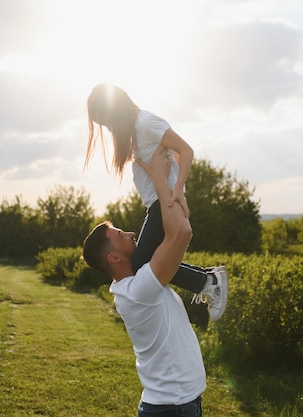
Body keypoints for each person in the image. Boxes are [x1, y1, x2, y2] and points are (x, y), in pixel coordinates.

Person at [84, 83, 227, 321]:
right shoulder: (135, 131)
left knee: (141, 266)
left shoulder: (145, 123)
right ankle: (207, 279)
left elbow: (186, 150)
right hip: (155, 205)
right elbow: (176, 154)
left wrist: (178, 188)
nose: (108, 128)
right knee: (146, 264)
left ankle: (207, 281)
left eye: (107, 121)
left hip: (162, 204)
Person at [83, 145, 207, 416]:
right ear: (114, 258)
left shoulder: (134, 284)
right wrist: (160, 179)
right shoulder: (139, 290)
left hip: (175, 403)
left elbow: (164, 230)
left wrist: (167, 166)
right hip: (173, 408)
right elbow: (181, 233)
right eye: (120, 235)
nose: (129, 233)